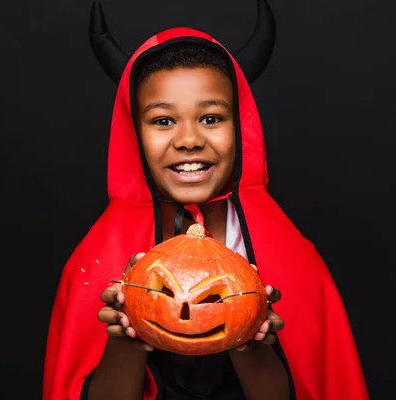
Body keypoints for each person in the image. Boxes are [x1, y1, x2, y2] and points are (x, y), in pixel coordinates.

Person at [43, 1, 369, 399]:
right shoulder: (95, 260)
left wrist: (249, 336)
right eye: (163, 120)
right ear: (134, 133)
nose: (189, 140)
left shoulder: (293, 257)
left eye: (211, 118)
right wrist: (127, 336)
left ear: (241, 124)